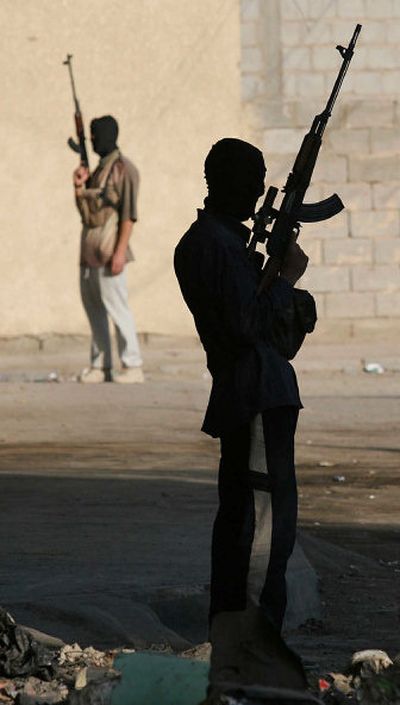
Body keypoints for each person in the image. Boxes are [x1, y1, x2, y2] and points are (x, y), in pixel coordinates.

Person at [174, 138, 316, 690]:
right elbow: (244, 325)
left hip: (260, 395)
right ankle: (250, 655)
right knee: (260, 537)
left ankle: (243, 654)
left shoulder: (223, 242)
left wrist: (279, 281)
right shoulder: (212, 244)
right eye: (254, 178)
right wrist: (283, 280)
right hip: (253, 397)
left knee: (251, 529)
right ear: (225, 180)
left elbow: (272, 327)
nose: (262, 190)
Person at [73, 115, 144, 383]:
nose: (91, 141)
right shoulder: (99, 170)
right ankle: (100, 366)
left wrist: (119, 252)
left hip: (109, 251)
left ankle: (133, 365)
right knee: (94, 311)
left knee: (117, 308)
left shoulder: (123, 169)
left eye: (95, 135)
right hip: (89, 251)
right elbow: (87, 213)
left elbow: (128, 215)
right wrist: (79, 185)